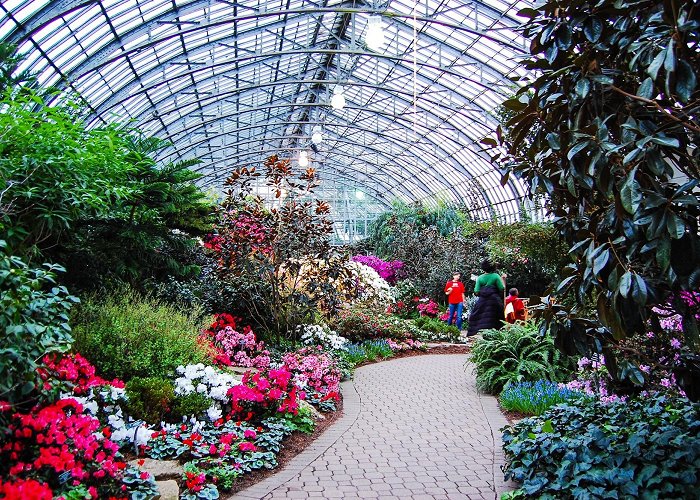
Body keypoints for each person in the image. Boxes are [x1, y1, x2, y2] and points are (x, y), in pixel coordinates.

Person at [467, 260, 505, 336]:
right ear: (493, 267)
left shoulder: (480, 278)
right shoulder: (496, 276)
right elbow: (502, 288)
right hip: (495, 300)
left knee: (480, 316)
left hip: (482, 301)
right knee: (497, 317)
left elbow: (476, 291)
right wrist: (503, 280)